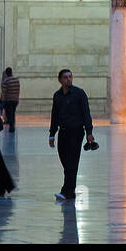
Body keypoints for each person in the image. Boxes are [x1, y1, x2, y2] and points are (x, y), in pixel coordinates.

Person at [48, 69, 95, 202]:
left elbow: (86, 113)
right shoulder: (57, 95)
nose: (68, 79)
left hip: (76, 132)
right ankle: (70, 192)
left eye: (70, 77)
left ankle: (67, 191)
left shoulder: (79, 94)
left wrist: (89, 132)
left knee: (72, 163)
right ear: (60, 80)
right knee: (65, 161)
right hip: (63, 132)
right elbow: (54, 115)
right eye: (65, 77)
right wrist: (52, 134)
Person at [0, 68, 20, 134]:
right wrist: (17, 98)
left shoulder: (6, 81)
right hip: (15, 100)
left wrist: (2, 100)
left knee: (9, 113)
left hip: (8, 100)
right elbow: (18, 89)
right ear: (11, 72)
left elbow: (4, 92)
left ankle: (12, 126)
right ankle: (12, 125)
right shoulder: (16, 80)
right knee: (12, 113)